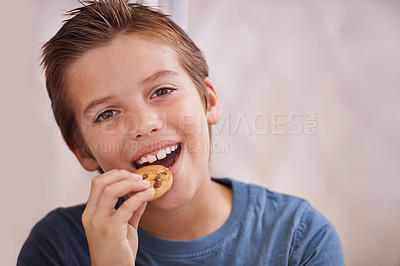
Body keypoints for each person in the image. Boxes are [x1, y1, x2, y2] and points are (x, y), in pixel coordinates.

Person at [18, 1, 345, 265]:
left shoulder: (298, 239)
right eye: (107, 114)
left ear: (209, 102)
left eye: (161, 91)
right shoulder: (56, 249)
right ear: (82, 150)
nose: (144, 124)